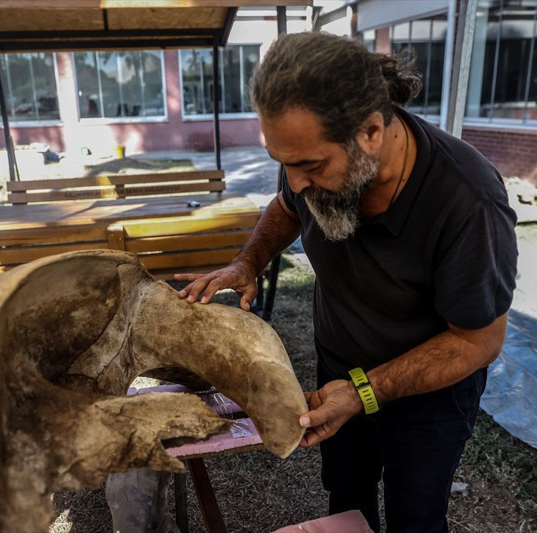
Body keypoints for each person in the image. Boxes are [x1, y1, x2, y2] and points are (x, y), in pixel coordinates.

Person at [175, 32, 518, 533]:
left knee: (415, 519)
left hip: (427, 396)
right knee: (346, 499)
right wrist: (248, 263)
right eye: (284, 164)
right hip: (340, 367)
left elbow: (479, 339)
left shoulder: (467, 201)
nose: (294, 181)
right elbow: (285, 208)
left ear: (372, 131)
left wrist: (362, 392)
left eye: (310, 166)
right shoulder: (307, 157)